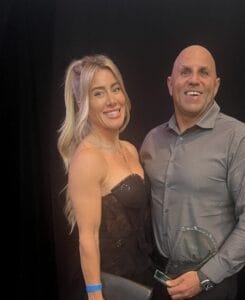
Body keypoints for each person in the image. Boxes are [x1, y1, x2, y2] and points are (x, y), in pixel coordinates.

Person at [140, 45, 245, 300]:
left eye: (204, 73)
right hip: (157, 280)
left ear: (216, 84)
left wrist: (205, 277)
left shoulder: (240, 139)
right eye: (185, 72)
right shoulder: (152, 141)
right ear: (170, 84)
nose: (194, 80)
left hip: (210, 286)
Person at [57, 54, 154, 300]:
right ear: (84, 103)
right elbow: (87, 237)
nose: (112, 100)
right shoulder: (88, 158)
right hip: (109, 287)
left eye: (115, 88)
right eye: (99, 93)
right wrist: (95, 294)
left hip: (140, 279)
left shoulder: (130, 149)